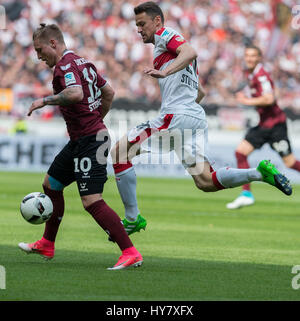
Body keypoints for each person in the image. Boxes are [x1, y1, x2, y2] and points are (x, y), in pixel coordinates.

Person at [110, 2, 293, 236]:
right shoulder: (173, 54)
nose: (139, 29)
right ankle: (259, 173)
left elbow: (190, 52)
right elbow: (201, 93)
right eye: (136, 25)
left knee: (119, 153)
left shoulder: (166, 34)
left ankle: (132, 218)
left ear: (157, 21)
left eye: (142, 23)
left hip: (176, 116)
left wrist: (165, 74)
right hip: (194, 117)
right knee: (205, 181)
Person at [18, 23, 143, 270]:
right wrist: (97, 118)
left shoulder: (64, 66)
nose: (38, 55)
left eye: (40, 49)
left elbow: (74, 94)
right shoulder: (82, 62)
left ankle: (130, 252)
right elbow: (108, 91)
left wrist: (44, 100)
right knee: (50, 184)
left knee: (91, 200)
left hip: (90, 140)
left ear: (53, 43)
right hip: (82, 138)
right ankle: (47, 243)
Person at [226, 45, 300, 209]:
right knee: (240, 153)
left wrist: (246, 101)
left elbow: (269, 99)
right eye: (247, 55)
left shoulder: (261, 75)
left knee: (290, 162)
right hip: (264, 125)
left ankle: (246, 194)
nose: (249, 59)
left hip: (275, 126)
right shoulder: (251, 73)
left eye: (253, 56)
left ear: (259, 58)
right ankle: (246, 194)